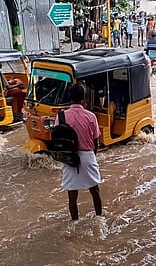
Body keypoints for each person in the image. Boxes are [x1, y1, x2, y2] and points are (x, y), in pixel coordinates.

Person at [54, 83, 102, 221]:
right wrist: (92, 156)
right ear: (83, 99)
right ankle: (99, 219)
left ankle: (74, 221)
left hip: (69, 157)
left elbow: (58, 138)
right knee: (95, 191)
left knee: (72, 195)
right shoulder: (91, 116)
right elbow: (95, 141)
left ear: (70, 97)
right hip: (87, 155)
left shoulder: (61, 116)